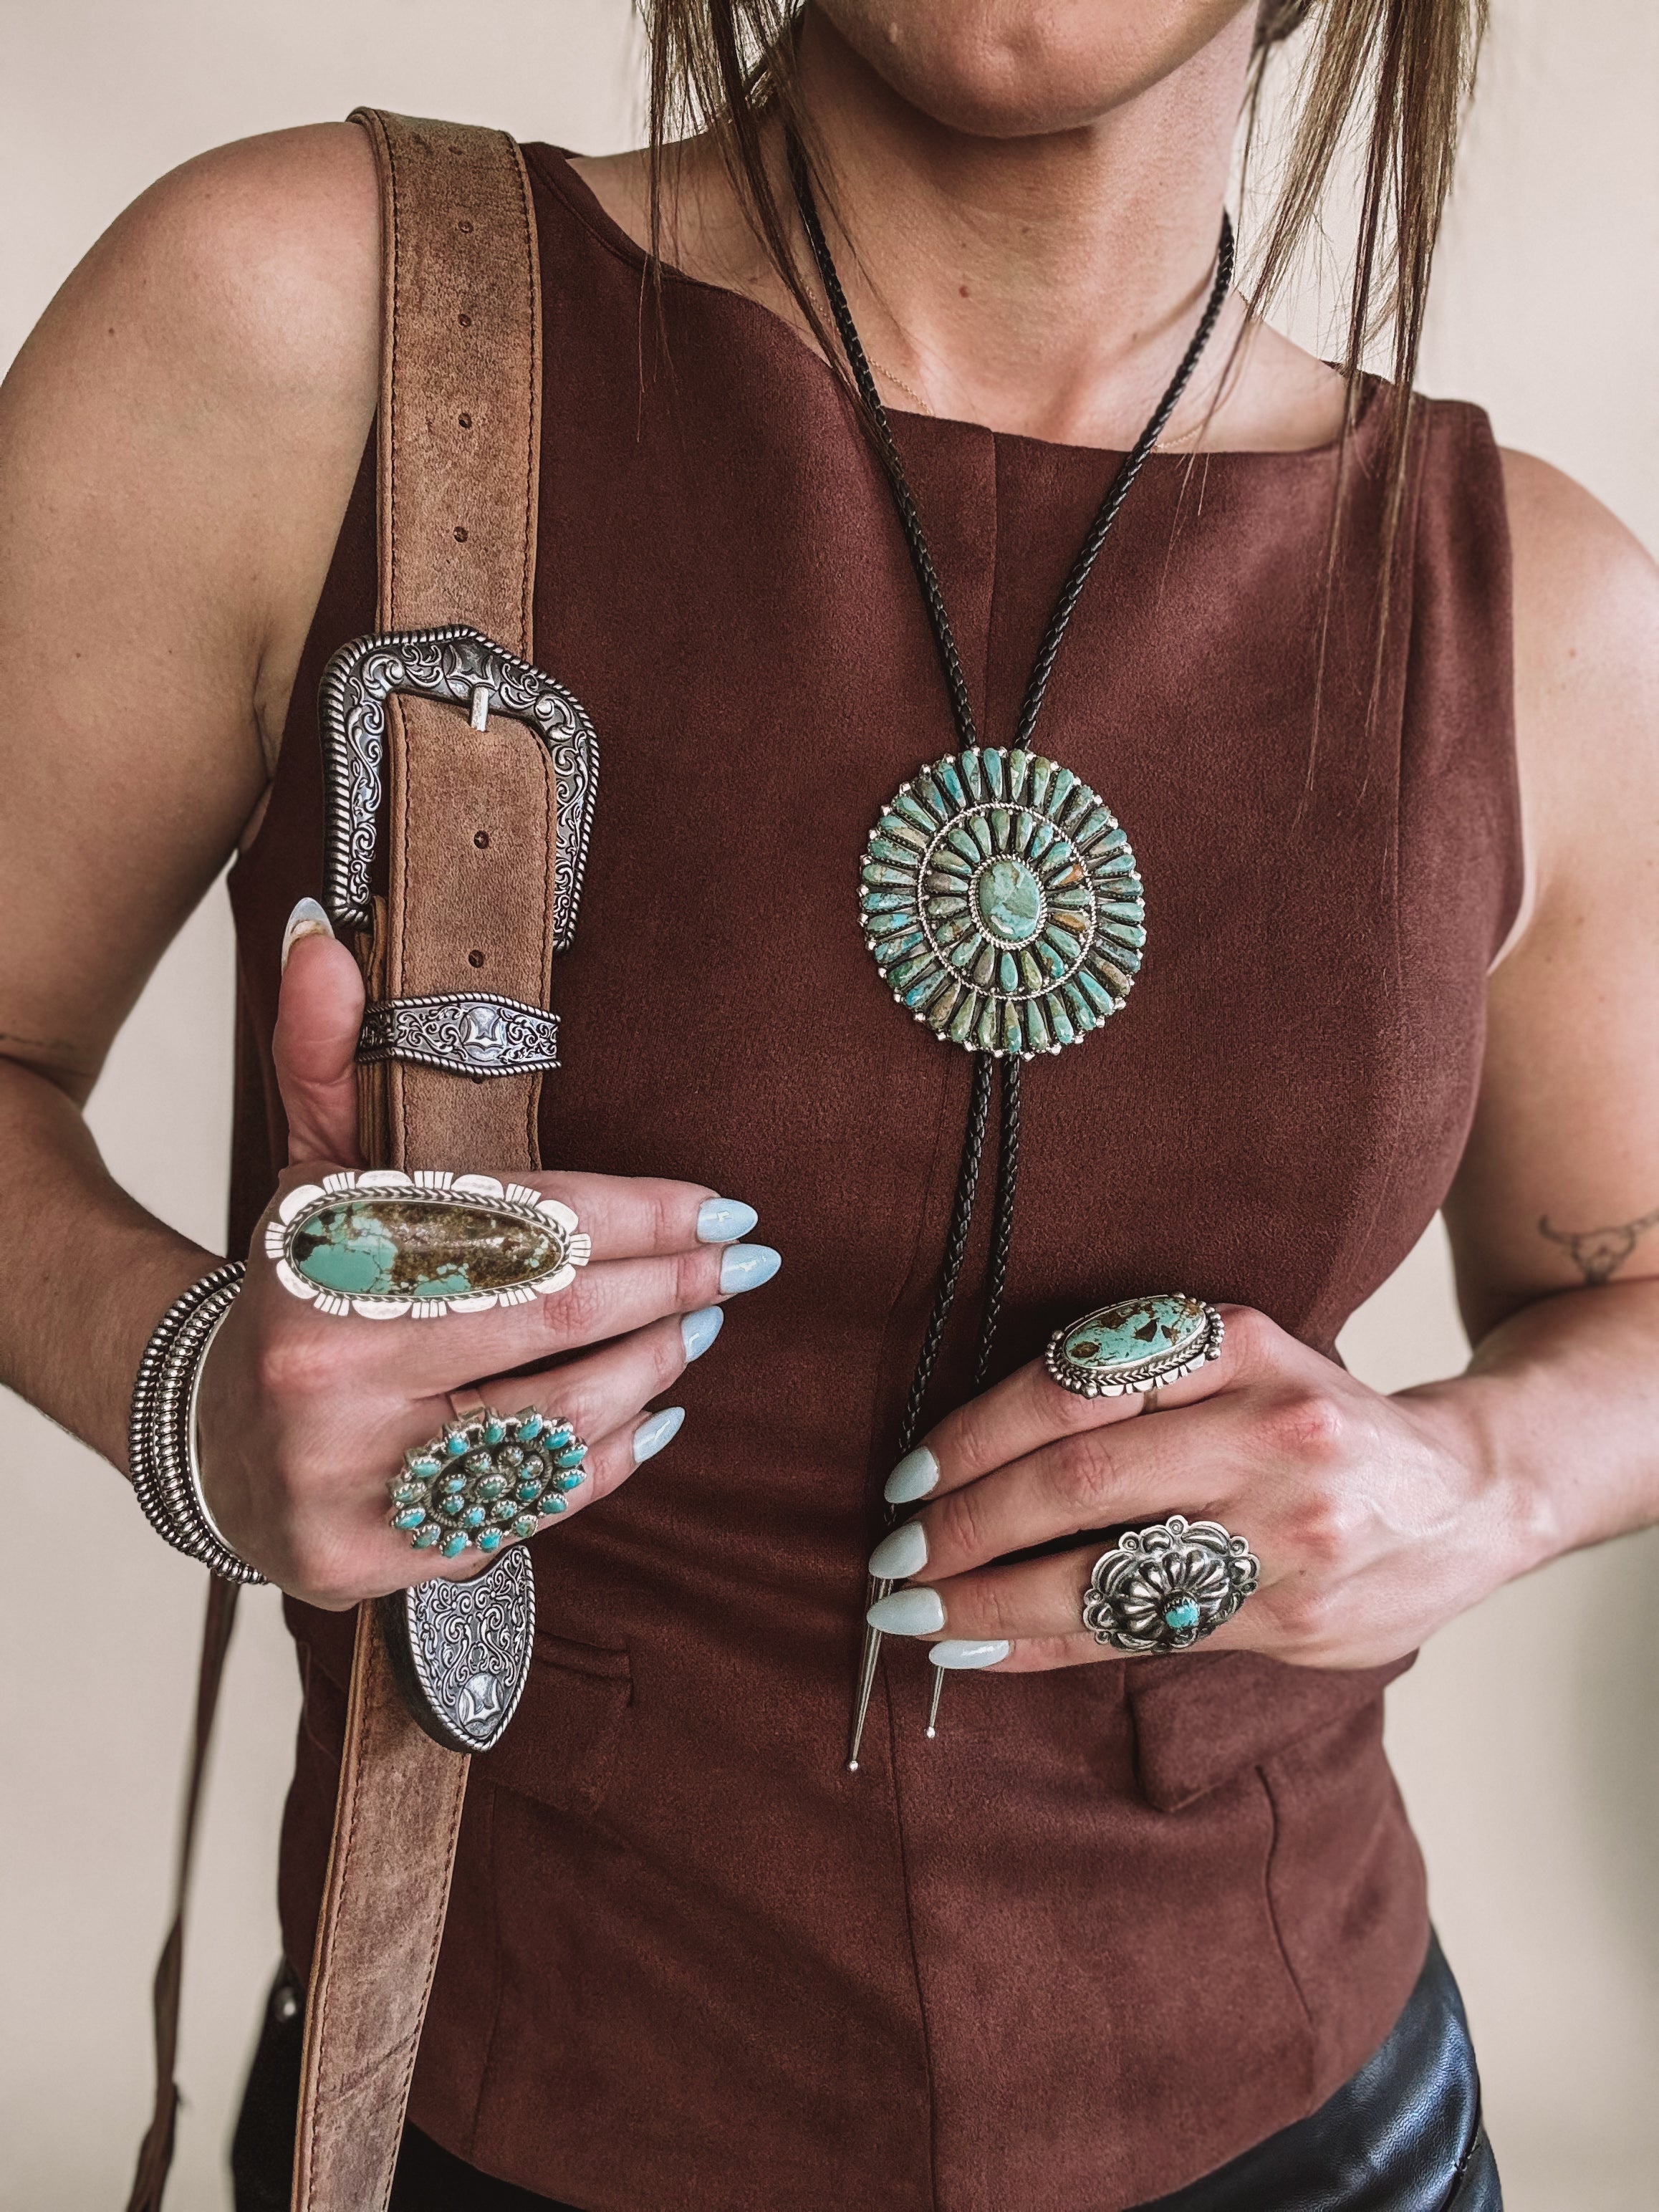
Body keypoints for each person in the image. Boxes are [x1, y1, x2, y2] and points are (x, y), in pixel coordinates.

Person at [3, 1, 1656, 2206]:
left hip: (1317, 2124)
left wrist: (1471, 1480)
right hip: (491, 2110)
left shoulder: (1533, 605)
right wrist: (182, 1376)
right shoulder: (309, 323)